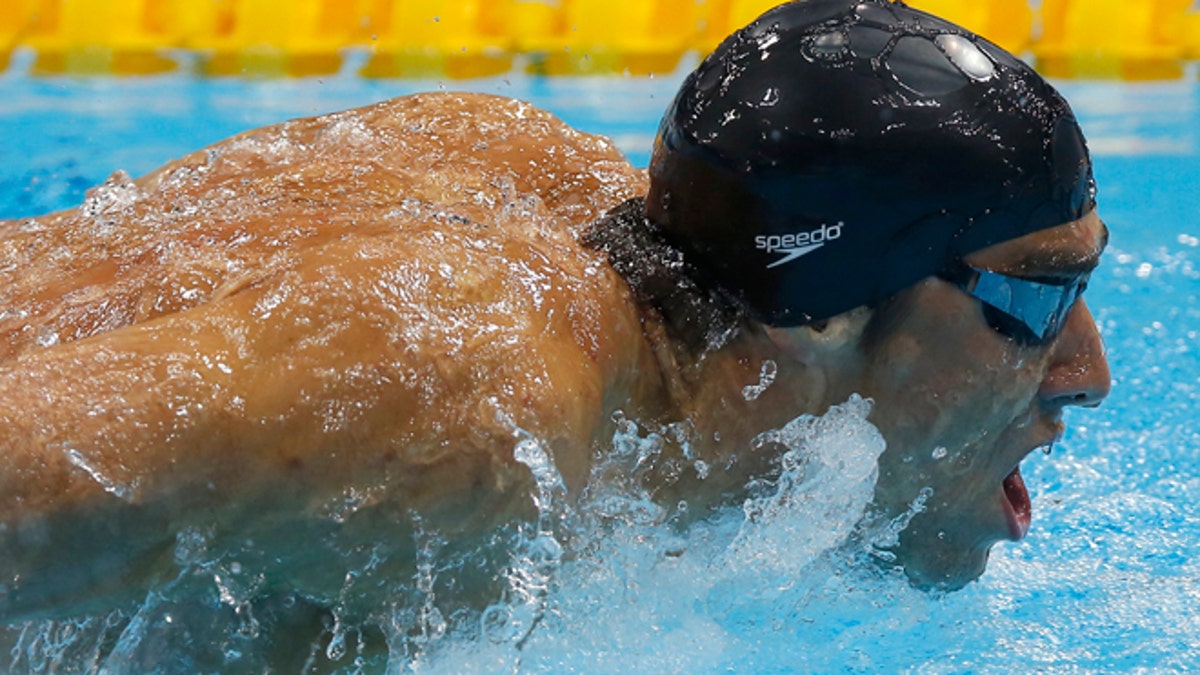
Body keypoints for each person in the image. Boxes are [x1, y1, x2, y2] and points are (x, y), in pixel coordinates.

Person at [0, 0, 1107, 639]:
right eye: (1037, 299)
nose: (1086, 373)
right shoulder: (461, 408)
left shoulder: (532, 178)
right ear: (819, 315)